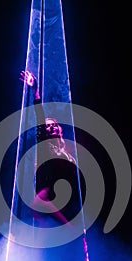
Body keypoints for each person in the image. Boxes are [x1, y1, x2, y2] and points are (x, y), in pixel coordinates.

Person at [20, 70, 82, 229]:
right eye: (48, 127)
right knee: (39, 205)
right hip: (51, 190)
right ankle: (67, 229)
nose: (52, 127)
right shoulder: (44, 146)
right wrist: (35, 91)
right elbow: (39, 117)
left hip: (67, 195)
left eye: (54, 125)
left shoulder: (68, 153)